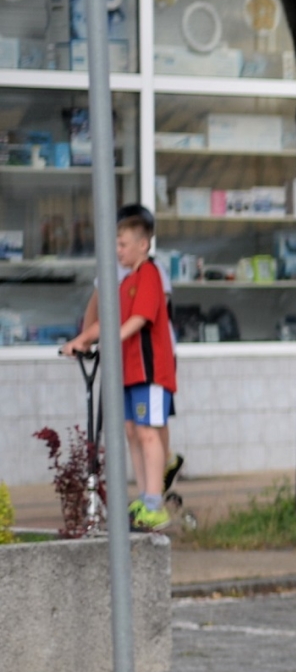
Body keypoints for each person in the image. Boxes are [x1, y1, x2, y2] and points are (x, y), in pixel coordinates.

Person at [62, 204, 177, 529]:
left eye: (122, 244)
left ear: (143, 244)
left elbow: (140, 320)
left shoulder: (150, 275)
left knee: (148, 433)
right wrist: (82, 340)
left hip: (151, 371)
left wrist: (108, 339)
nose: (118, 250)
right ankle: (144, 498)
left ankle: (155, 503)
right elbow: (108, 319)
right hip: (129, 371)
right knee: (131, 432)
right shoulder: (126, 282)